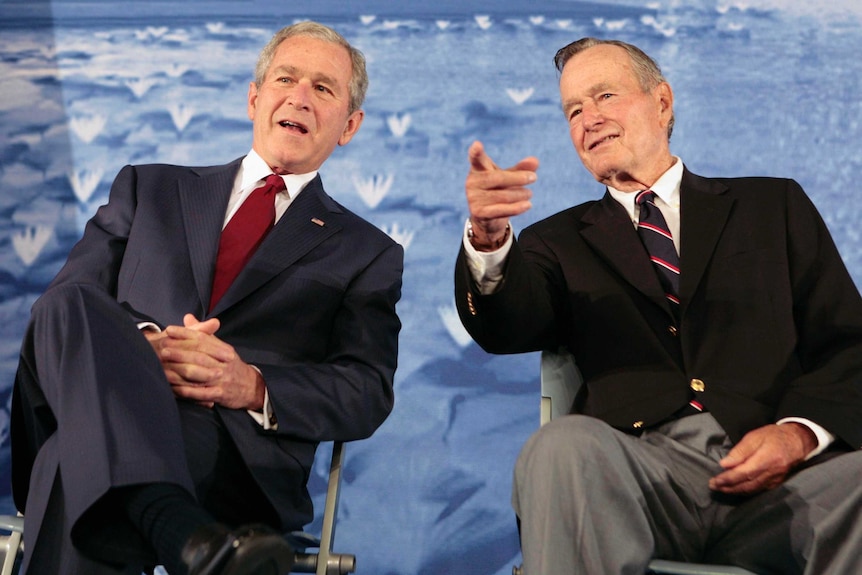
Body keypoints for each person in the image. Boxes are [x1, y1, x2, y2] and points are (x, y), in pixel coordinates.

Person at [454, 37, 862, 574]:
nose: (588, 119)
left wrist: (798, 434)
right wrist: (488, 239)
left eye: (604, 96)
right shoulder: (556, 241)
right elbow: (507, 325)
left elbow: (848, 346)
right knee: (559, 448)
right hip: (640, 478)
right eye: (574, 110)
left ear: (662, 101)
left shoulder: (772, 206)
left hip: (786, 481)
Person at [11, 21, 403, 575]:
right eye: (286, 78)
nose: (299, 96)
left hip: (229, 449)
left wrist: (251, 384)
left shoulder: (366, 252)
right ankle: (186, 534)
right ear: (253, 97)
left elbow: (366, 388)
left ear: (349, 125)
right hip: (100, 404)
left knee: (71, 463)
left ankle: (176, 523)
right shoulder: (149, 187)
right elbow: (64, 309)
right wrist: (141, 349)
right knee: (65, 304)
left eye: (323, 88)